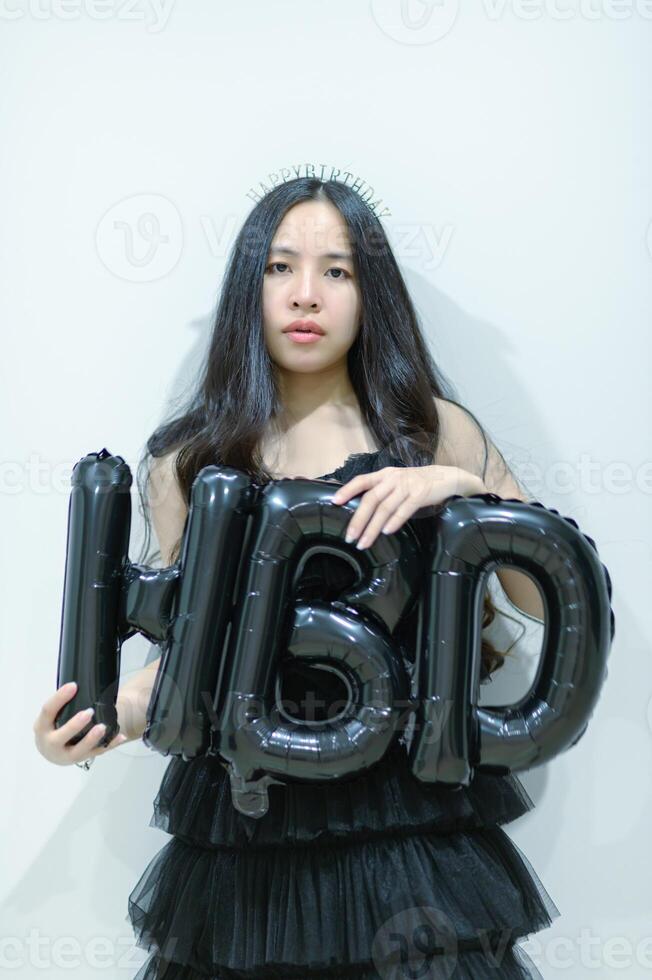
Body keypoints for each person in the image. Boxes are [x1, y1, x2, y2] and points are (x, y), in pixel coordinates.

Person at [34, 176, 559, 978]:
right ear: (251, 287)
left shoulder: (431, 432)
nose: (306, 294)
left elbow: (545, 597)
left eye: (337, 271)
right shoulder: (192, 460)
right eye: (281, 268)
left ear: (368, 292)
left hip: (404, 823)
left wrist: (464, 490)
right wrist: (97, 720)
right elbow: (185, 658)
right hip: (249, 834)